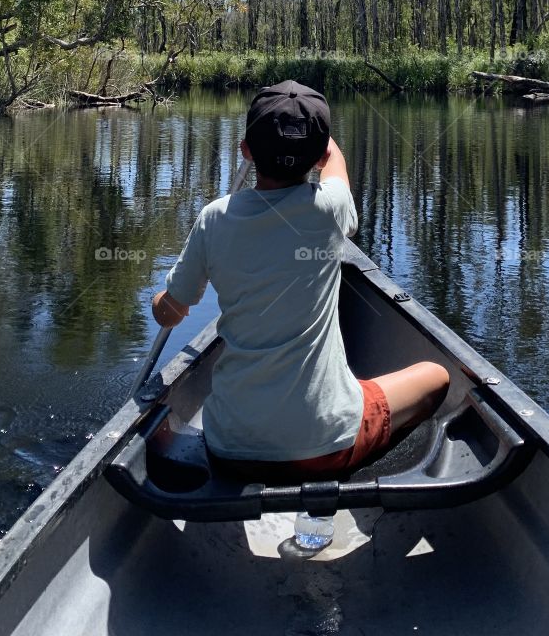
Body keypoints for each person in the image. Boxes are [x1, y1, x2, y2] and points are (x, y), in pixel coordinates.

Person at [151, 80, 449, 478]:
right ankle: (356, 455)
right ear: (318, 157)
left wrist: (164, 300)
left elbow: (170, 314)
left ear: (245, 152)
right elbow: (335, 166)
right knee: (437, 377)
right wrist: (319, 143)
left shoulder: (215, 219)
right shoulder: (330, 209)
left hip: (229, 449)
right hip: (327, 449)